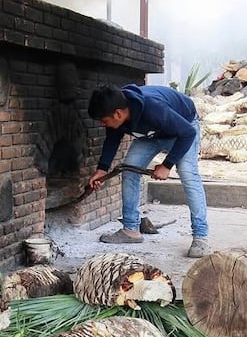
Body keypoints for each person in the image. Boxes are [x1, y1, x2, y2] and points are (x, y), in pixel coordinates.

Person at [86, 82, 211, 258]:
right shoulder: (117, 111)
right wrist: (102, 169)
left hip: (182, 129)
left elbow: (187, 133)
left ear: (118, 114)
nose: (103, 125)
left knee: (188, 175)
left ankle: (201, 236)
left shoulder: (154, 109)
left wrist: (167, 165)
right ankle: (130, 230)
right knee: (130, 170)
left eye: (104, 121)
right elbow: (112, 140)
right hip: (153, 134)